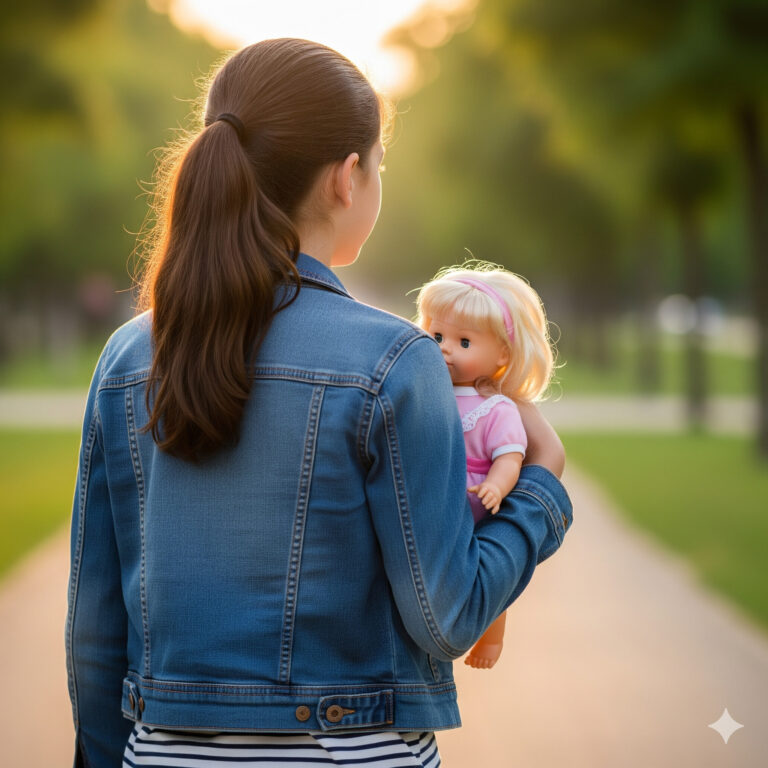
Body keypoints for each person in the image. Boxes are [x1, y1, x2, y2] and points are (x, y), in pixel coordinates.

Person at [66, 38, 572, 768]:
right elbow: (448, 615)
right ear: (346, 177)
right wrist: (542, 491)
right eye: (380, 167)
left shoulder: (127, 359)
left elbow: (95, 629)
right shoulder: (397, 362)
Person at [416, 264, 556, 670]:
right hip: (437, 496)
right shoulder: (424, 387)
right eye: (437, 335)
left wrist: (497, 485)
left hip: (476, 498)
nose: (444, 348)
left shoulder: (496, 407)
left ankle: (491, 639)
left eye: (463, 342)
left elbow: (510, 455)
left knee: (489, 575)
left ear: (502, 354)